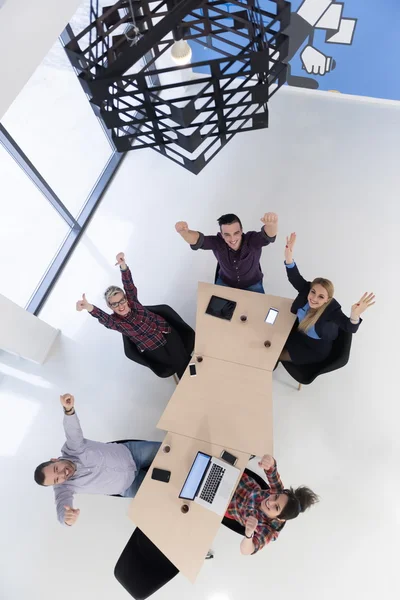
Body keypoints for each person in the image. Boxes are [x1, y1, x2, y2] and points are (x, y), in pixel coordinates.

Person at [34, 393, 161, 526]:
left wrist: (68, 410)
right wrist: (66, 518)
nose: (62, 474)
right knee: (166, 491)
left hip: (132, 454)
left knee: (174, 450)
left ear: (55, 460)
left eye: (56, 469)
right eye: (56, 480)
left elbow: (72, 430)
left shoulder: (72, 448)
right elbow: (61, 506)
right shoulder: (64, 488)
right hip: (129, 485)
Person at [76, 252, 192, 379]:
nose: (120, 306)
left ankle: (189, 376)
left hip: (165, 331)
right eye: (115, 304)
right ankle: (190, 378)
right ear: (110, 307)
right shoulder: (116, 323)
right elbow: (103, 318)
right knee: (179, 363)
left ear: (126, 299)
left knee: (181, 358)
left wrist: (123, 265)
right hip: (153, 346)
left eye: (121, 301)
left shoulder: (133, 302)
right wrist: (88, 307)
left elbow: (129, 285)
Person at [279, 232, 375, 365]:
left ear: (327, 299)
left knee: (275, 354)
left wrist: (354, 315)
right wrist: (288, 258)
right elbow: (294, 278)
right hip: (300, 334)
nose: (313, 298)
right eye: (313, 292)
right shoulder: (306, 291)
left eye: (321, 296)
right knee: (272, 343)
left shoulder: (332, 311)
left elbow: (349, 328)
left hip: (314, 349)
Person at [225, 454, 318, 554]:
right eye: (276, 497)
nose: (270, 502)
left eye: (276, 507)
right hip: (236, 478)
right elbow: (272, 469)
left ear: (279, 518)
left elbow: (247, 551)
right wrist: (269, 461)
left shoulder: (270, 531)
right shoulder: (279, 491)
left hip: (226, 504)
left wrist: (248, 535)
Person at [175, 212, 279, 293]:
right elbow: (197, 240)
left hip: (252, 284)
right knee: (216, 315)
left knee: (260, 314)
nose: (232, 238)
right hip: (225, 282)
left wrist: (271, 224)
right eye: (227, 234)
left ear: (242, 231)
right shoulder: (218, 242)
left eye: (236, 233)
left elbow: (268, 235)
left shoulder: (252, 240)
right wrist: (184, 232)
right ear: (222, 234)